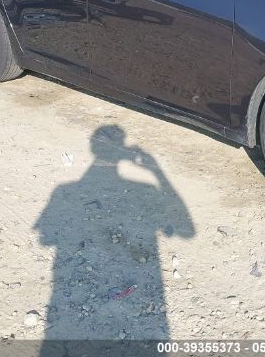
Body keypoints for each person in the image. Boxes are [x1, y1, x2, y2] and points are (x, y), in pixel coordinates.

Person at [34, 125, 195, 342]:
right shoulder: (145, 188)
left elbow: (45, 239)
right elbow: (187, 230)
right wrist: (156, 171)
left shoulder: (64, 190)